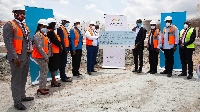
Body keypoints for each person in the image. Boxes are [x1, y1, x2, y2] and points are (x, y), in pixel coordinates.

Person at [3, 5, 33, 110]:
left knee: (23, 78)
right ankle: (17, 101)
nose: (23, 15)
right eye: (20, 12)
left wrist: (30, 49)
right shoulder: (9, 25)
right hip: (17, 57)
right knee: (16, 79)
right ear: (14, 13)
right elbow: (8, 42)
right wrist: (14, 57)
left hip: (26, 56)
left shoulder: (24, 26)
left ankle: (22, 96)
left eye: (23, 13)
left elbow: (27, 40)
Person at [32, 19, 50, 95]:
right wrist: (46, 57)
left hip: (42, 56)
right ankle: (41, 88)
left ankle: (43, 86)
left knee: (45, 70)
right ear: (39, 26)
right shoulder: (37, 35)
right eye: (44, 26)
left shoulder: (42, 35)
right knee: (44, 71)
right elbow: (39, 47)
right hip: (39, 56)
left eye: (46, 26)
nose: (45, 28)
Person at [47, 18, 63, 87]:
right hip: (53, 52)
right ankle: (53, 81)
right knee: (53, 67)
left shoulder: (52, 32)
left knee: (55, 66)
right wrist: (60, 46)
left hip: (56, 51)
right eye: (55, 25)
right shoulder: (50, 32)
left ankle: (54, 80)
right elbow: (55, 41)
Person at [57, 17, 72, 82]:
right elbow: (62, 40)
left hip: (66, 48)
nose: (67, 24)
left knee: (64, 63)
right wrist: (65, 49)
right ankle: (63, 77)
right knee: (62, 63)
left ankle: (64, 75)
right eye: (66, 22)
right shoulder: (60, 29)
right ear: (63, 21)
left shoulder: (64, 29)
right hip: (63, 49)